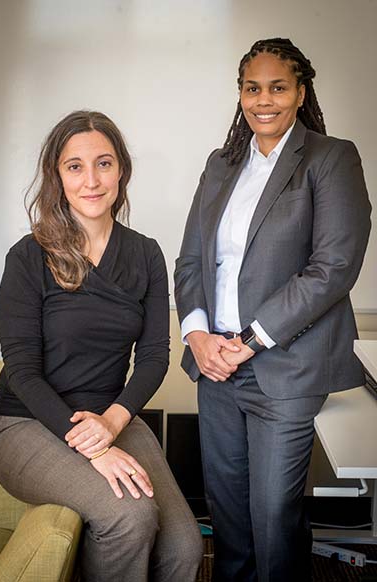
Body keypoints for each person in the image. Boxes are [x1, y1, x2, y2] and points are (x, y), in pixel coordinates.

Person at [174, 38, 371, 582]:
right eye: (252, 88)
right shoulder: (221, 165)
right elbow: (191, 260)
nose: (264, 100)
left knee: (273, 518)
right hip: (215, 369)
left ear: (301, 92)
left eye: (278, 87)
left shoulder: (331, 159)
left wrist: (252, 339)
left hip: (284, 370)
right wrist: (197, 336)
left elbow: (333, 266)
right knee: (229, 518)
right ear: (240, 94)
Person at [0, 110, 203, 582]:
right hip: (25, 421)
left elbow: (153, 356)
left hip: (110, 418)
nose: (91, 180)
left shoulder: (145, 253)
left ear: (121, 169)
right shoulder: (28, 256)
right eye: (74, 166)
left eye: (103, 163)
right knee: (130, 517)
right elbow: (21, 371)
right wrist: (93, 447)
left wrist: (112, 421)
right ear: (57, 176)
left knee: (185, 546)